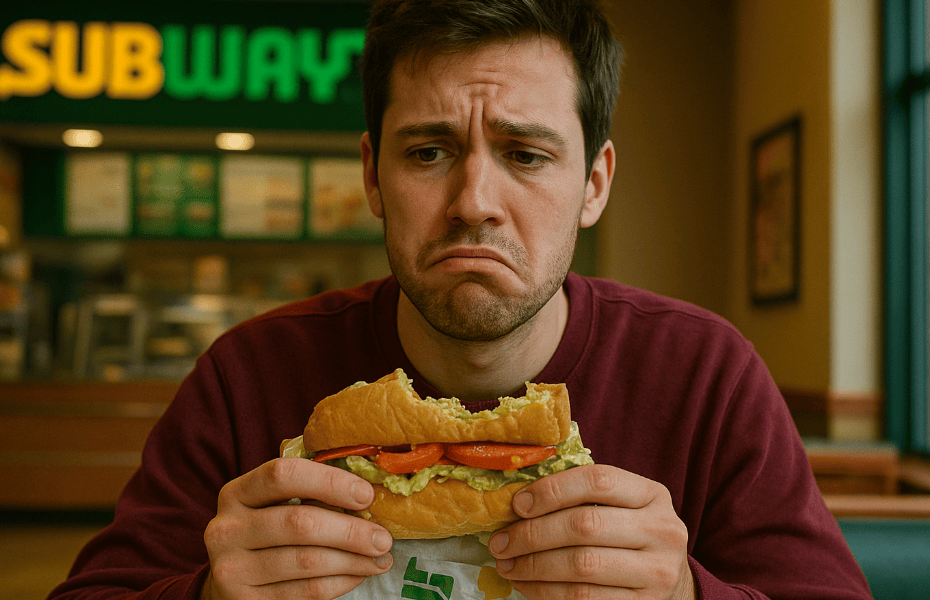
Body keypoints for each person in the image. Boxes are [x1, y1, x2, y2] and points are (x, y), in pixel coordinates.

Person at [49, 1, 873, 599]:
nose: (475, 199)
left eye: (524, 153)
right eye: (431, 150)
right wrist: (203, 597)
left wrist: (691, 597)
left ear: (594, 183)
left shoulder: (704, 374)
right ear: (374, 175)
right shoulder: (248, 375)